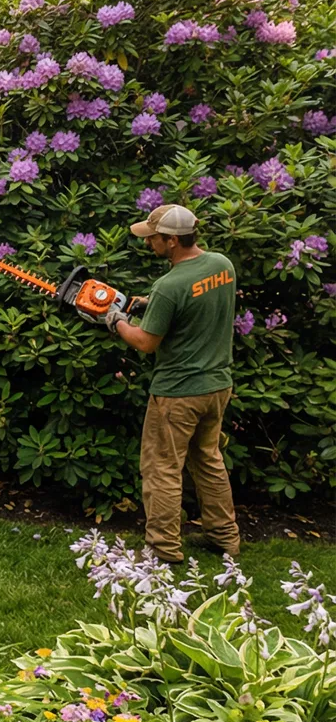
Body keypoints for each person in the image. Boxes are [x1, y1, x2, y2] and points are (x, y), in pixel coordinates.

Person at [107, 204, 241, 563]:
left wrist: (116, 321)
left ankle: (163, 549)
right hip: (217, 386)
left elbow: (146, 343)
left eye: (153, 238)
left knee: (163, 468)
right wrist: (148, 304)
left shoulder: (169, 285)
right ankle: (226, 538)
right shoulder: (221, 266)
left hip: (178, 393)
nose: (149, 242)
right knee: (208, 459)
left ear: (171, 240)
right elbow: (196, 299)